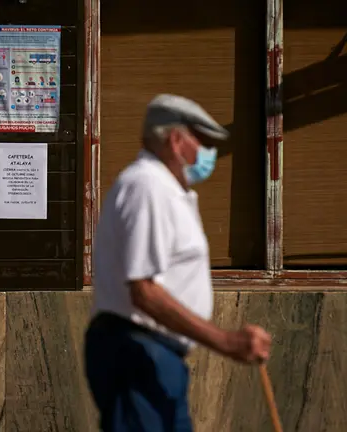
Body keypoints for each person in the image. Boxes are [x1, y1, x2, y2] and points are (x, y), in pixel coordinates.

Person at [85, 94, 272, 431]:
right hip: (138, 351)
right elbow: (143, 290)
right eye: (201, 140)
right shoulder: (148, 187)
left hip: (154, 353)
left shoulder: (165, 189)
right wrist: (225, 341)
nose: (207, 153)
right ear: (176, 140)